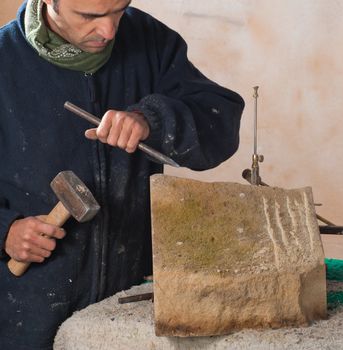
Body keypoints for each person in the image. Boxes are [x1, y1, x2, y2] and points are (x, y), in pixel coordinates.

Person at [0, 0, 244, 348]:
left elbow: (220, 123)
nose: (110, 31)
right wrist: (6, 230)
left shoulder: (151, 41)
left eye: (119, 9)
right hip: (24, 313)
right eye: (89, 16)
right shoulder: (5, 62)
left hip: (127, 305)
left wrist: (152, 120)